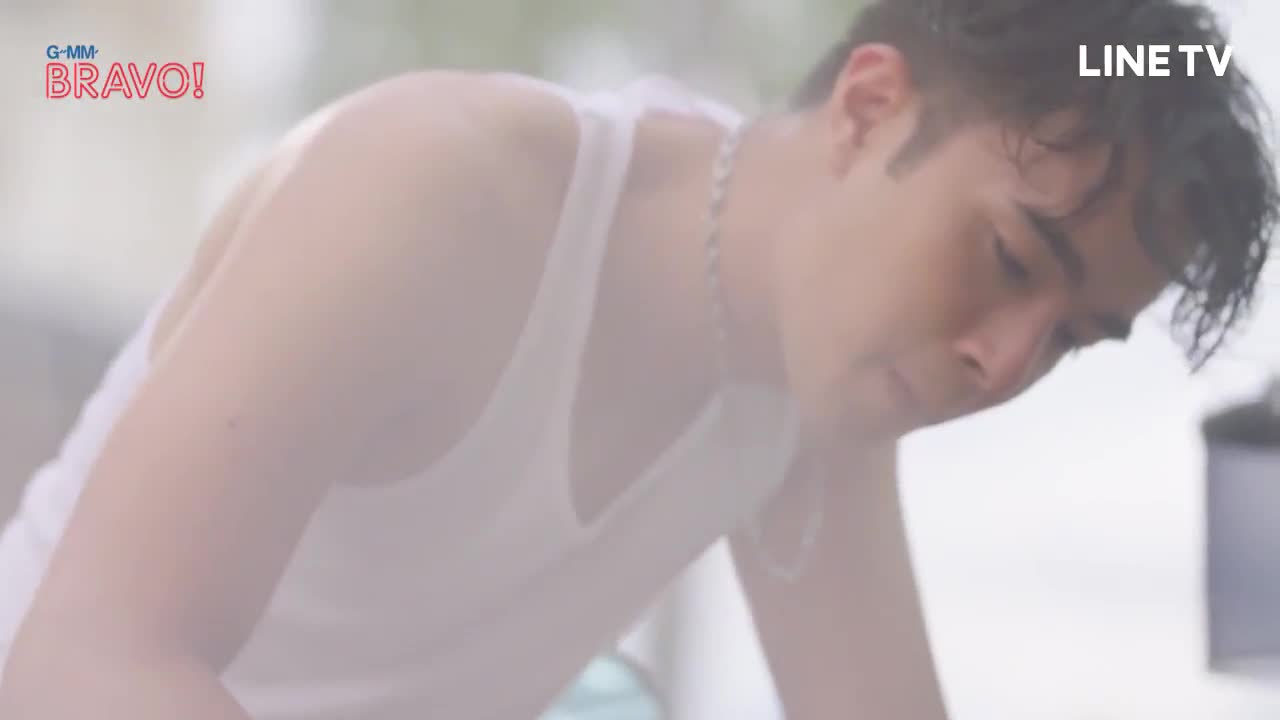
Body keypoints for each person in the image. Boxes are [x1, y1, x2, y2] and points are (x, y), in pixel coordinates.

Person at [0, 0, 1275, 717]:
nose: (999, 363)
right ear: (868, 107)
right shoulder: (438, 187)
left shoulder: (825, 388)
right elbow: (86, 665)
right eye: (1005, 257)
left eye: (1070, 339)